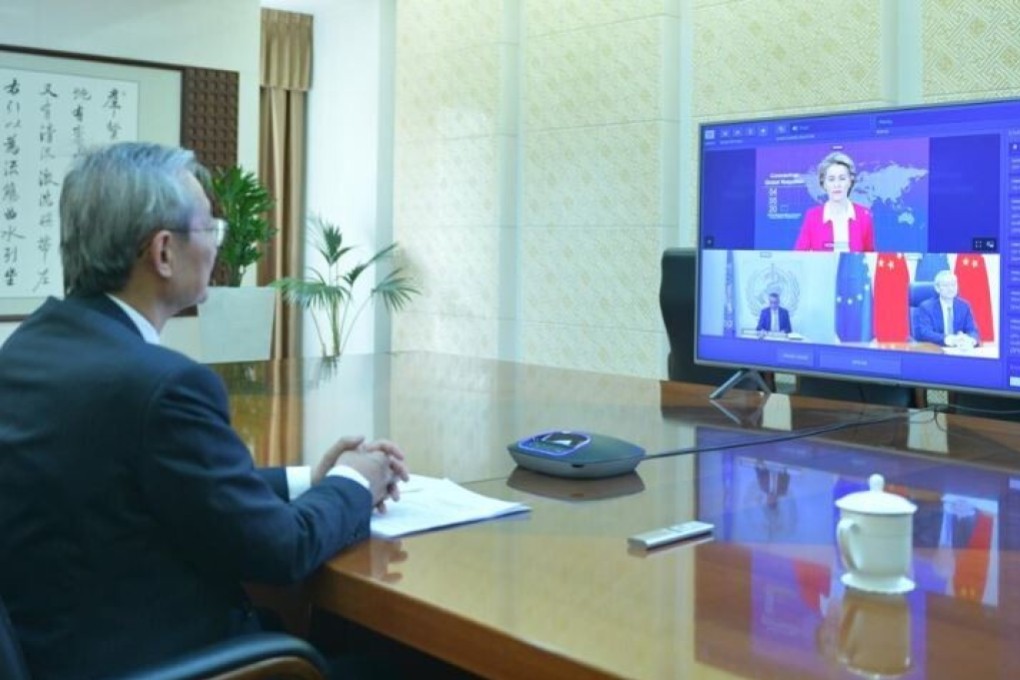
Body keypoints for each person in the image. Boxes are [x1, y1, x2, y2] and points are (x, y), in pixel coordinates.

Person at [0, 142, 410, 680]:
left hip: (66, 649)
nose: (217, 245)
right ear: (163, 252)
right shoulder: (161, 385)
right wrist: (356, 482)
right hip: (164, 658)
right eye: (209, 228)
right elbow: (281, 551)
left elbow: (166, 484)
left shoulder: (27, 350)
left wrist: (308, 480)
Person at [794, 151, 875, 252]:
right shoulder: (812, 216)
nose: (837, 185)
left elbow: (869, 257)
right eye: (831, 179)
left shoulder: (864, 216)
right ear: (824, 184)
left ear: (850, 181)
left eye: (842, 179)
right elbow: (800, 255)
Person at [914, 269, 980, 348]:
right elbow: (925, 332)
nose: (950, 288)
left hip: (960, 349)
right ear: (937, 288)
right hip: (936, 349)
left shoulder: (964, 306)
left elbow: (972, 330)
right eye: (946, 285)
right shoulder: (926, 307)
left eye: (953, 285)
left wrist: (970, 340)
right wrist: (948, 339)